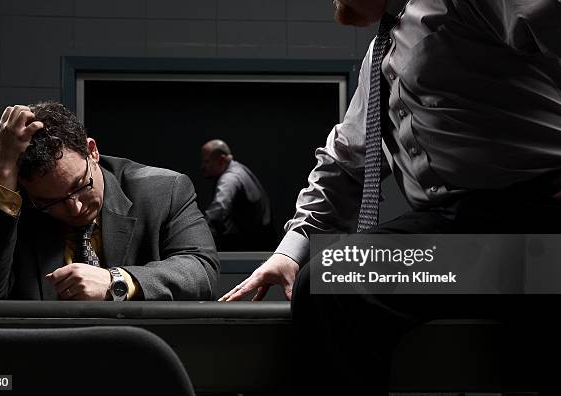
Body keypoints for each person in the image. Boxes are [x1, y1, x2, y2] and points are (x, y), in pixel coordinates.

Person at [221, 0, 561, 393]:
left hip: (538, 222)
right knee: (332, 280)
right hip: (460, 241)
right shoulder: (381, 55)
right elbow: (344, 162)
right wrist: (287, 253)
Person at [0, 102, 219, 301]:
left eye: (80, 185)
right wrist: (1, 171)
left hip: (140, 358)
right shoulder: (8, 200)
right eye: (49, 202)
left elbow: (201, 271)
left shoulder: (164, 189)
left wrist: (117, 280)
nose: (75, 207)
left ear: (92, 151)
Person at [201, 139, 277, 251]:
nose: (202, 167)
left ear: (222, 160)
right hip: (261, 247)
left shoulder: (230, 178)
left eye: (206, 162)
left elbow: (217, 212)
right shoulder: (240, 169)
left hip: (250, 251)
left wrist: (197, 238)